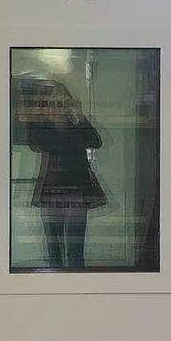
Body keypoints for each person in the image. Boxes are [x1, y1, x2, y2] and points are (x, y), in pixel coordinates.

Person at [14, 75, 106, 270]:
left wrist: (79, 117)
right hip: (51, 192)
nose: (58, 107)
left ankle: (76, 283)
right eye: (52, 103)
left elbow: (95, 141)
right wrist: (40, 117)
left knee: (75, 250)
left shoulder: (76, 125)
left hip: (75, 192)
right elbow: (37, 144)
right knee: (54, 250)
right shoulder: (43, 129)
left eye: (63, 102)